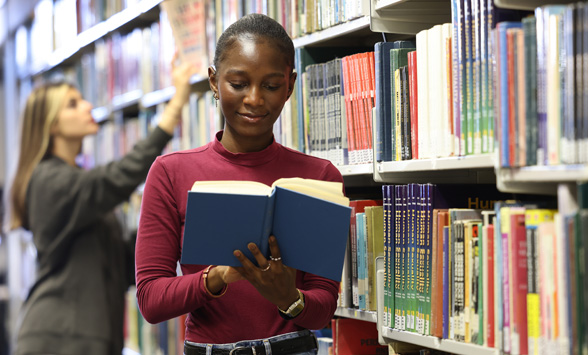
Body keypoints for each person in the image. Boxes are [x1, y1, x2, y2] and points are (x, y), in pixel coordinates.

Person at [135, 13, 342, 355]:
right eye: (239, 83)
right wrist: (217, 277)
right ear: (214, 82)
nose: (255, 99)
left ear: (289, 85)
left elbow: (324, 304)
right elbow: (151, 300)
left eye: (271, 85)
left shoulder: (319, 177)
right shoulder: (170, 172)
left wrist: (288, 298)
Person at [8, 57, 197, 354]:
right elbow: (118, 177)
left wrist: (174, 220)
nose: (86, 106)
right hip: (59, 338)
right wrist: (175, 106)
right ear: (52, 124)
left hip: (91, 336)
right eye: (72, 104)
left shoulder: (75, 186)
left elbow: (123, 266)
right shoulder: (48, 181)